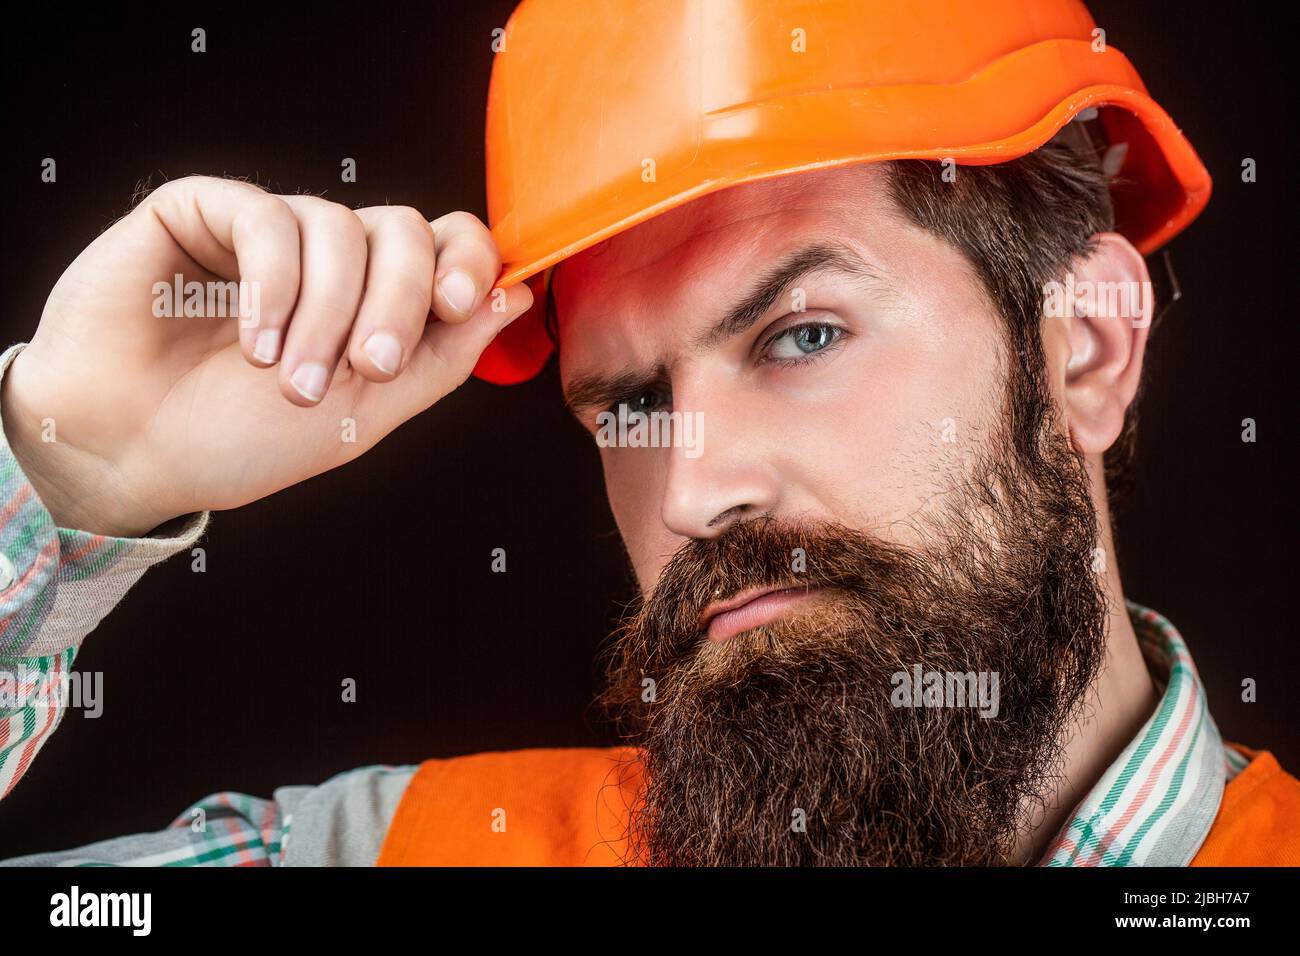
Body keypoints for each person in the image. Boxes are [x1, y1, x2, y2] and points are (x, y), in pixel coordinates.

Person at [2, 0, 1296, 866]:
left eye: (803, 335)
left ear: (1086, 346)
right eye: (630, 405)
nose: (690, 491)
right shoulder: (422, 851)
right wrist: (69, 471)